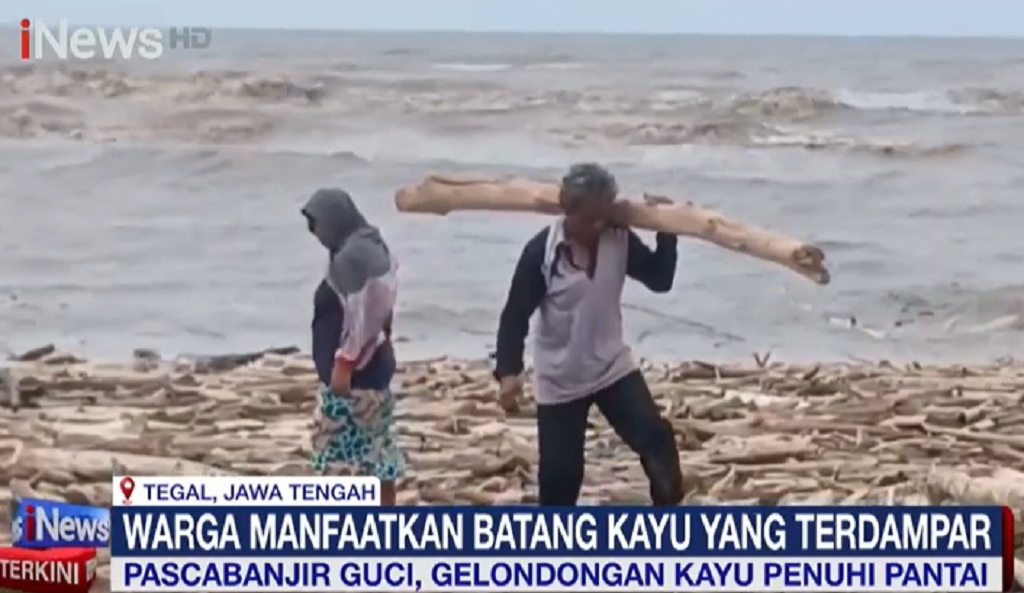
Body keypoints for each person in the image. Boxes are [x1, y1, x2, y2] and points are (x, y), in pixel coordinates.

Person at [493, 163, 685, 506]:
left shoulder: (619, 239)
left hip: (612, 367)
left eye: (603, 217)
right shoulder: (542, 254)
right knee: (561, 476)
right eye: (589, 219)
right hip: (560, 378)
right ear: (568, 213)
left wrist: (666, 230)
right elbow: (515, 316)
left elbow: (659, 279)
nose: (597, 226)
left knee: (656, 441)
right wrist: (509, 373)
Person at [302, 188, 404, 506]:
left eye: (316, 223)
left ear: (334, 220)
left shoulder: (353, 257)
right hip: (371, 368)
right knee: (376, 452)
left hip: (354, 376)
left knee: (336, 458)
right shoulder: (367, 246)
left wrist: (346, 362)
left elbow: (368, 312)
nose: (314, 232)